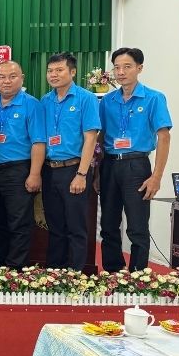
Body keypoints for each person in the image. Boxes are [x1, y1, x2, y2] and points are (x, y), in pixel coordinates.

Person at [99, 47, 172, 272]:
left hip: (136, 165)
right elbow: (100, 137)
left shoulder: (153, 98)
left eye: (127, 66)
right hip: (110, 164)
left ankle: (138, 276)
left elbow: (164, 137)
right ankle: (113, 273)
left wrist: (156, 176)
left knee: (137, 226)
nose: (121, 72)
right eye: (117, 67)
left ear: (139, 68)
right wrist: (95, 173)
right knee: (109, 225)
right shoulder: (107, 100)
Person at [0, 61, 46, 269]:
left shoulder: (31, 105)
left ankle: (15, 266)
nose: (6, 81)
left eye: (12, 76)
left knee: (19, 222)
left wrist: (34, 174)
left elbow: (38, 142)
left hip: (18, 170)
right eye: (2, 76)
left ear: (22, 78)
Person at [41, 53, 101, 270]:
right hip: (49, 169)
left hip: (74, 169)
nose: (53, 75)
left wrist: (82, 174)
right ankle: (54, 273)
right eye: (50, 71)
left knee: (76, 226)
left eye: (59, 70)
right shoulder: (45, 101)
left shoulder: (86, 99)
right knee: (55, 226)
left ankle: (75, 275)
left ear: (72, 72)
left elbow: (91, 137)